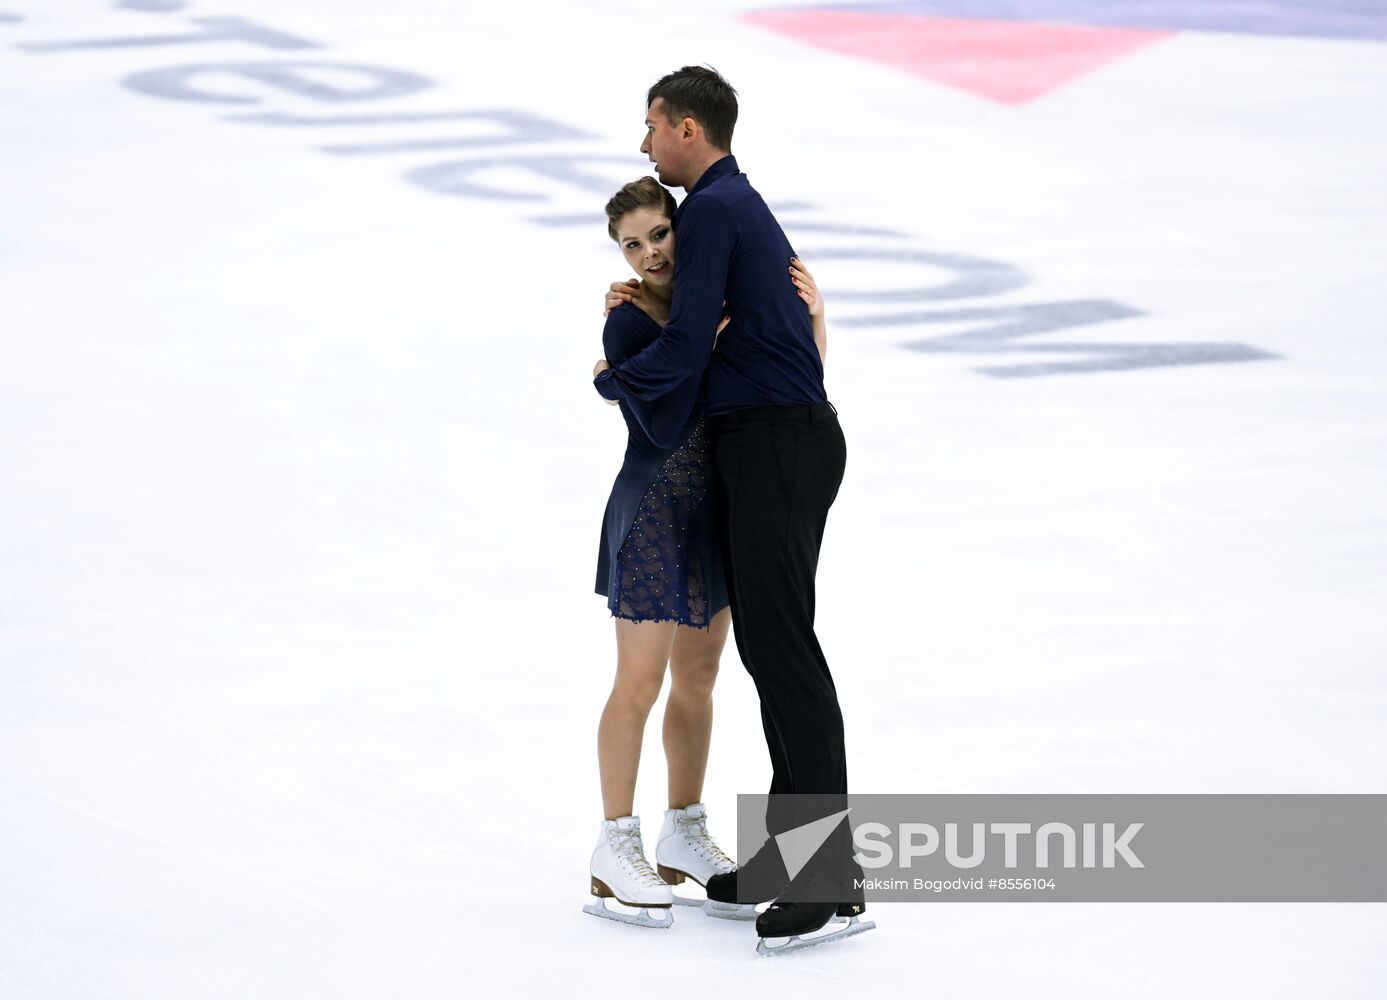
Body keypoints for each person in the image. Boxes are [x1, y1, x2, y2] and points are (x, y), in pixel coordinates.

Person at [591, 66, 871, 953]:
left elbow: (686, 340)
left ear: (683, 127)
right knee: (772, 650)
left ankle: (826, 877)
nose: (644, 142)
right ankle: (805, 863)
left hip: (777, 445)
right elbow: (757, 339)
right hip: (777, 443)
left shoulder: (712, 208)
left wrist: (612, 379)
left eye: (650, 126)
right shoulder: (731, 206)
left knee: (783, 653)